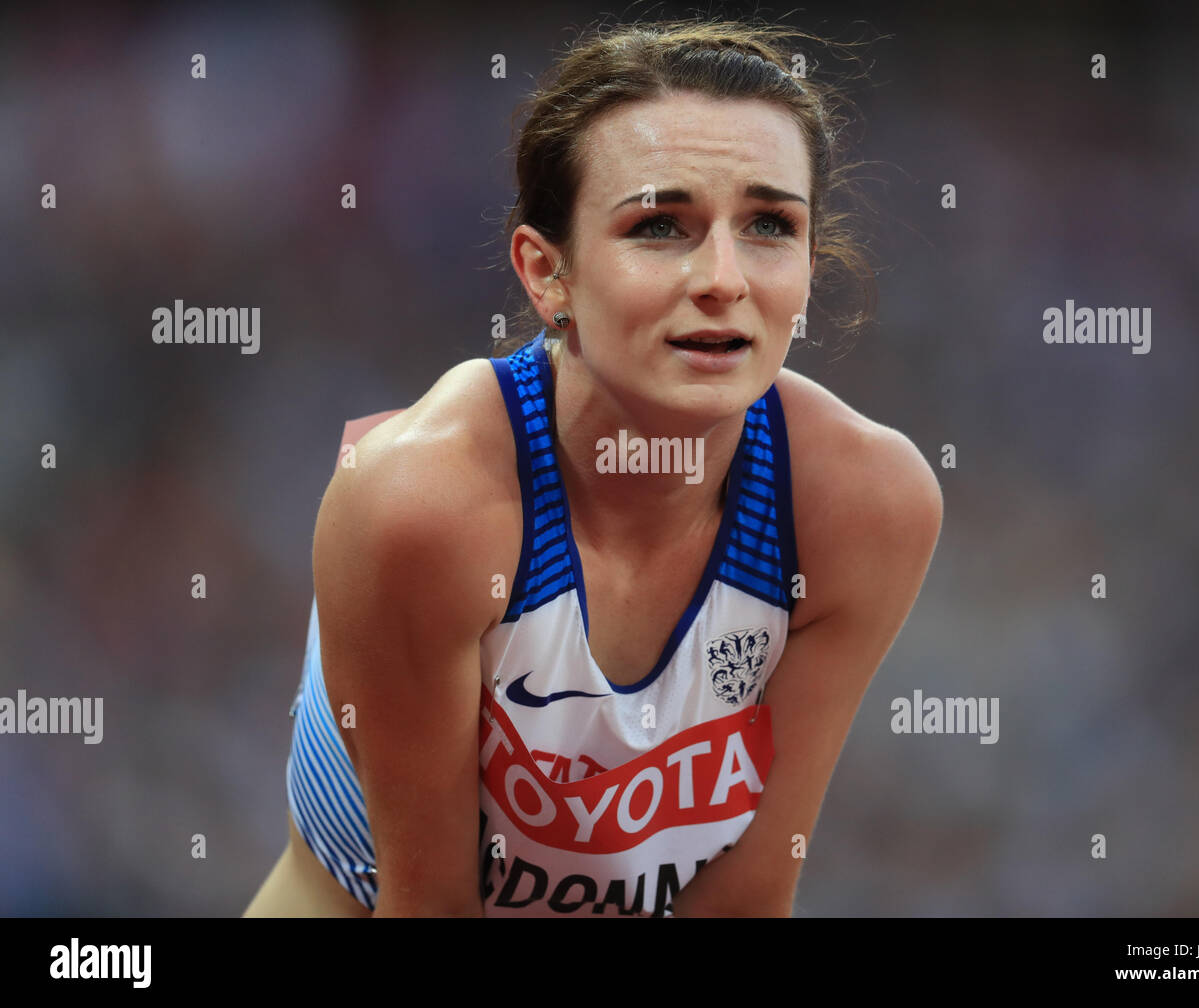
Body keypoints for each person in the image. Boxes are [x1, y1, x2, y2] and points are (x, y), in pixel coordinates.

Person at [243, 17, 942, 918]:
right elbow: (431, 909)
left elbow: (746, 897)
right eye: (660, 224)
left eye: (770, 224)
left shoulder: (868, 504)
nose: (724, 278)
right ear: (547, 274)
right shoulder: (420, 503)